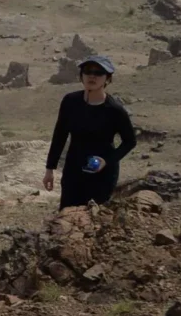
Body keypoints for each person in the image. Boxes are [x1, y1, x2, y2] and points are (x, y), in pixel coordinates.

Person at [43, 54, 136, 208]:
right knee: (67, 214)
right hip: (73, 170)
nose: (92, 76)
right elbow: (60, 135)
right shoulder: (70, 101)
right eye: (87, 71)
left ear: (107, 78)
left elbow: (130, 141)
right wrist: (49, 169)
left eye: (98, 72)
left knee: (93, 219)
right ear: (81, 76)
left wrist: (107, 161)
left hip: (102, 174)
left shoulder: (114, 110)